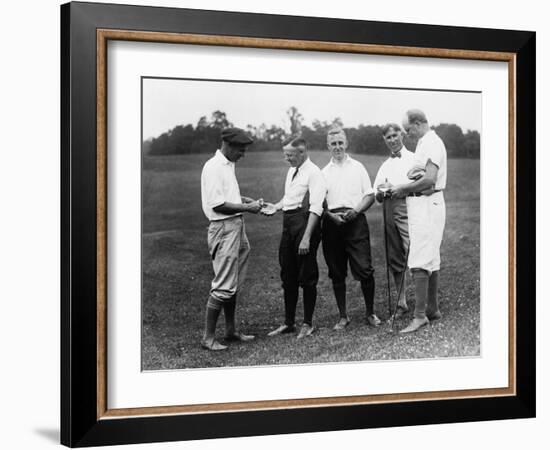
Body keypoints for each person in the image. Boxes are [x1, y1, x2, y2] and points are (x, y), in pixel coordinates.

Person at [199, 127, 264, 350]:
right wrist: (248, 207)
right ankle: (208, 338)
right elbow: (217, 205)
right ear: (228, 145)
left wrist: (246, 201)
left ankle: (230, 330)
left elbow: (229, 197)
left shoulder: (228, 165)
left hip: (235, 226)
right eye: (241, 149)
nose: (243, 154)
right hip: (223, 227)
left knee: (232, 283)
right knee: (224, 283)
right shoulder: (214, 167)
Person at [388, 109, 447, 333]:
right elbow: (422, 175)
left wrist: (402, 188)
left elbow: (430, 179)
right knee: (431, 257)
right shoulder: (424, 143)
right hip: (424, 203)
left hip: (428, 203)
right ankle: (432, 309)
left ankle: (420, 316)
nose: (407, 134)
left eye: (408, 129)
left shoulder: (431, 142)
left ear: (418, 123)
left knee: (419, 259)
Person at [262, 136, 326, 339]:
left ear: (302, 152)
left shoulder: (314, 173)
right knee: (287, 274)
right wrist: (275, 206)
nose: (287, 159)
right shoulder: (292, 170)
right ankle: (288, 323)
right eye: (285, 155)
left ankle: (308, 323)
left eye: (289, 155)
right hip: (288, 224)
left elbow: (316, 207)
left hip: (305, 223)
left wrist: (306, 237)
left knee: (307, 275)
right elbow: (289, 199)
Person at [321, 127, 380, 330]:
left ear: (346, 144)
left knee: (364, 269)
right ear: (328, 146)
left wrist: (356, 211)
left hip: (355, 221)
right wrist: (330, 216)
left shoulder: (358, 167)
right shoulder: (323, 173)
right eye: (333, 143)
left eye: (340, 142)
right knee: (337, 272)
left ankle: (370, 313)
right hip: (332, 224)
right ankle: (343, 316)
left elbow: (370, 195)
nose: (337, 147)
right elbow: (319, 204)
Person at [373, 123, 415, 319]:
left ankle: (427, 304)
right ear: (384, 140)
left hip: (410, 208)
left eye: (394, 135)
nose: (392, 140)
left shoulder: (414, 159)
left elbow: (420, 185)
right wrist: (381, 192)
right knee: (395, 257)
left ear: (402, 135)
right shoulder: (384, 165)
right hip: (389, 210)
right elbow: (377, 195)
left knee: (416, 253)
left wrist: (396, 186)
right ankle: (401, 302)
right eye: (388, 137)